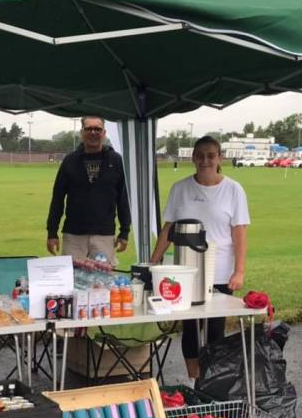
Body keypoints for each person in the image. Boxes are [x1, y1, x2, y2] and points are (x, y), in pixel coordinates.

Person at [150, 136, 250, 380]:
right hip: (186, 272)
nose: (205, 160)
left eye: (211, 155)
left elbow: (239, 232)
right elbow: (168, 229)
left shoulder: (233, 189)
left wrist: (239, 270)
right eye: (200, 155)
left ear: (219, 158)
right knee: (191, 327)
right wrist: (153, 263)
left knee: (215, 327)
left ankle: (211, 378)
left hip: (221, 270)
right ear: (193, 158)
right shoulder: (180, 188)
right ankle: (194, 379)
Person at [45, 116, 131, 264]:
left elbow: (123, 199)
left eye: (97, 129)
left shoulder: (115, 160)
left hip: (104, 234)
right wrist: (52, 232)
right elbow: (58, 199)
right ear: (81, 133)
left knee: (102, 282)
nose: (93, 132)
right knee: (73, 281)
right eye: (89, 128)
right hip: (74, 235)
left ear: (104, 133)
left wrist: (124, 231)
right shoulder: (69, 161)